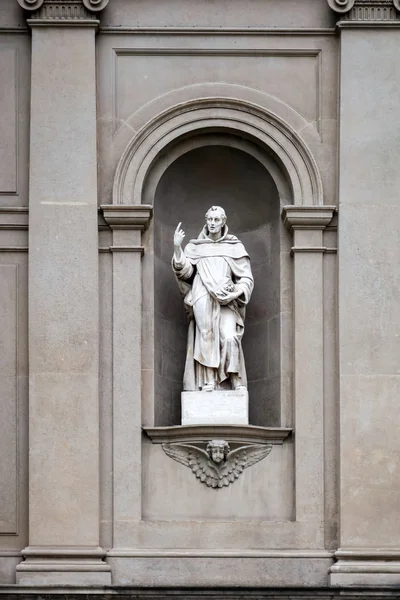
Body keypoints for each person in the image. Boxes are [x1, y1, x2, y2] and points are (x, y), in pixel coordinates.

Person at [172, 206, 254, 392]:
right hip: (202, 292)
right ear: (206, 220)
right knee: (205, 335)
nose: (213, 223)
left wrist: (236, 293)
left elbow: (246, 278)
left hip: (227, 299)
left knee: (230, 336)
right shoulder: (195, 247)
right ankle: (208, 380)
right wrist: (178, 249)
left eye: (217, 220)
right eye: (210, 219)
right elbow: (186, 272)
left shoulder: (234, 247)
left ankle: (235, 379)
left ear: (223, 222)